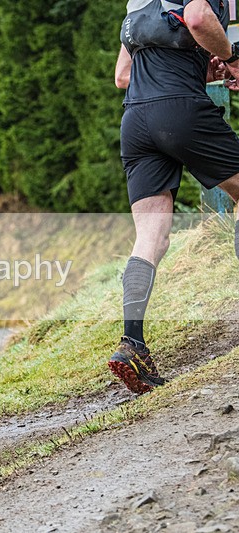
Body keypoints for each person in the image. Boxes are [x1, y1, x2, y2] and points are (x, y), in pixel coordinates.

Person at [110, 0, 239, 394]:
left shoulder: (137, 4)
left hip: (135, 121)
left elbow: (122, 75)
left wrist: (202, 64)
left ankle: (132, 342)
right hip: (179, 111)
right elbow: (198, 16)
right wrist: (231, 58)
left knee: (150, 238)